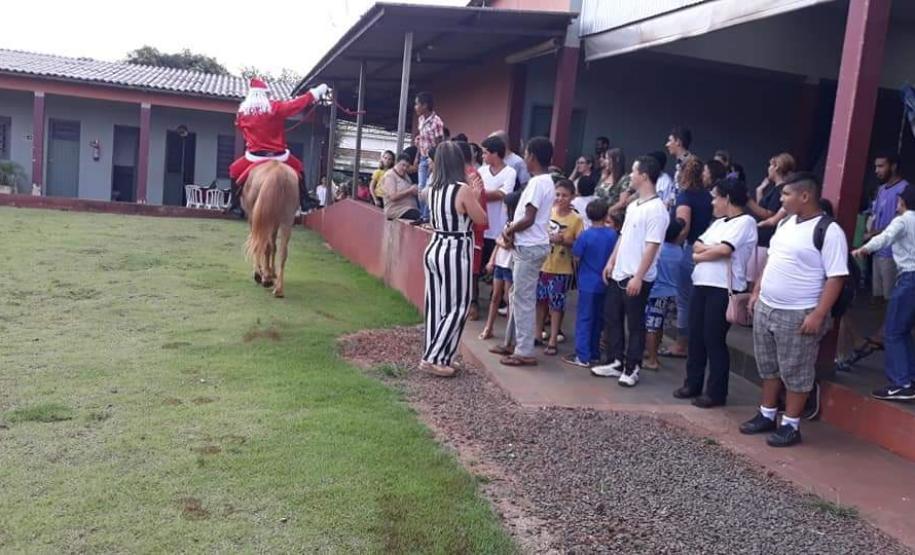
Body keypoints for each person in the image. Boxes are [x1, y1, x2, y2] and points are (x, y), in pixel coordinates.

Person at [740, 172, 848, 447]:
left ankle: (791, 424)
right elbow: (772, 260)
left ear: (805, 196)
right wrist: (756, 292)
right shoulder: (786, 223)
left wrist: (818, 314)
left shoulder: (828, 230)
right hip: (768, 307)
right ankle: (767, 414)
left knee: (796, 371)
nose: (782, 200)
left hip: (799, 313)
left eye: (786, 195)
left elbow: (836, 277)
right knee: (769, 365)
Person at [674, 178, 758, 408]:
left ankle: (716, 391)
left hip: (723, 288)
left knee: (713, 338)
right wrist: (708, 252)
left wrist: (707, 252)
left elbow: (725, 249)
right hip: (702, 283)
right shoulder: (719, 223)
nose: (712, 202)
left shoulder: (745, 222)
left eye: (715, 197)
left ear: (727, 198)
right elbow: (698, 247)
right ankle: (693, 383)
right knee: (696, 335)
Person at [592, 155, 670, 386]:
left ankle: (632, 367)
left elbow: (652, 246)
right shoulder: (634, 205)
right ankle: (615, 361)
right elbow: (624, 236)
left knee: (634, 323)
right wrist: (611, 261)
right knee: (612, 317)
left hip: (638, 277)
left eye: (634, 172)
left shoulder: (657, 209)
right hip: (620, 273)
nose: (631, 177)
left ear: (644, 175)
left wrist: (638, 276)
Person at [421, 141, 488, 377]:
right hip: (455, 249)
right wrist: (477, 195)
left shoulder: (433, 189)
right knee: (458, 306)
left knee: (436, 306)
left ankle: (442, 355)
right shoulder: (462, 189)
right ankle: (434, 358)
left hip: (435, 246)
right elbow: (480, 219)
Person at [490, 137, 556, 366]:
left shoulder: (539, 183)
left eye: (526, 154)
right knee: (517, 296)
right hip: (530, 245)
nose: (524, 158)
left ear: (533, 157)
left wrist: (509, 227)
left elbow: (528, 219)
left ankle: (524, 350)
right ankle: (512, 342)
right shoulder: (544, 181)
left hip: (529, 246)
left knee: (523, 299)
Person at [227, 78, 329, 214]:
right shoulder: (274, 107)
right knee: (299, 167)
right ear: (265, 94)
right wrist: (315, 93)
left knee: (234, 170)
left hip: (254, 157)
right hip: (280, 156)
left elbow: (242, 131)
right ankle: (304, 200)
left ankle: (234, 204)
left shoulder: (242, 113)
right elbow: (296, 104)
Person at [852, 184, 915, 400]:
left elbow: (885, 238)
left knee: (894, 331)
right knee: (904, 331)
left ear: (903, 202)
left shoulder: (903, 220)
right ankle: (909, 378)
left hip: (909, 278)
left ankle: (901, 382)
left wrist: (864, 248)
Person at [663, 155, 711, 359]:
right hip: (705, 248)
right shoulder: (708, 196)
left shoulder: (685, 197)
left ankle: (682, 344)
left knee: (684, 301)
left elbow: (683, 224)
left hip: (689, 248)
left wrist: (674, 244)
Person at [564, 198, 618, 368]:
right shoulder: (613, 234)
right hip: (606, 281)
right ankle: (594, 352)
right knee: (598, 319)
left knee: (584, 319)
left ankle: (582, 355)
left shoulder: (586, 235)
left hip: (587, 281)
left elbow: (577, 255)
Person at [535, 179, 584, 356]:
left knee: (556, 305)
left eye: (564, 195)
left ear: (572, 197)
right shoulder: (548, 212)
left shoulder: (576, 219)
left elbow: (579, 244)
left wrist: (564, 240)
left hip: (562, 268)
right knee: (540, 301)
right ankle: (538, 333)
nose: (560, 198)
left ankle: (553, 337)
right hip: (544, 264)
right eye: (557, 194)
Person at [746, 153, 796, 283]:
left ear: (776, 168)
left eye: (770, 165)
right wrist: (759, 192)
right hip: (762, 239)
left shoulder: (780, 189)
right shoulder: (775, 189)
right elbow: (763, 210)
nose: (768, 168)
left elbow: (769, 214)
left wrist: (748, 201)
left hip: (766, 241)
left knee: (754, 281)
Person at [643, 219, 684, 371]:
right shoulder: (678, 251)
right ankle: (653, 354)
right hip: (671, 294)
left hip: (656, 293)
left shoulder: (658, 250)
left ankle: (652, 359)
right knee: (658, 326)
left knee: (651, 327)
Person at [481, 192, 520, 340]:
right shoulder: (507, 223)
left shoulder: (517, 224)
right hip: (500, 262)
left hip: (510, 264)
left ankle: (508, 335)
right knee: (495, 296)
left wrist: (500, 242)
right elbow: (500, 244)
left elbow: (506, 243)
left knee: (507, 297)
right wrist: (492, 260)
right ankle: (488, 327)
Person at [479, 135, 518, 278]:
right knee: (478, 267)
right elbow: (475, 192)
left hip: (499, 228)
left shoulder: (510, 172)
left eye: (485, 152)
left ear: (495, 153)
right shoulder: (482, 171)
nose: (482, 156)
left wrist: (482, 193)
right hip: (482, 226)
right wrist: (493, 192)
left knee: (498, 270)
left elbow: (503, 194)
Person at [414, 91, 446, 220]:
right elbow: (421, 139)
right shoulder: (421, 119)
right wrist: (416, 156)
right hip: (422, 156)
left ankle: (426, 216)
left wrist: (435, 162)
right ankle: (423, 214)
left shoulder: (437, 122)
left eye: (417, 104)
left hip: (432, 159)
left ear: (425, 105)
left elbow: (439, 144)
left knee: (429, 187)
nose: (415, 107)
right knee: (421, 187)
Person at [381, 153, 420, 221]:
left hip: (409, 208)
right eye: (403, 165)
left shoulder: (406, 176)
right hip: (397, 210)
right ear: (397, 163)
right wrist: (410, 191)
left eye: (407, 166)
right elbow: (393, 196)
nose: (405, 168)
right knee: (417, 216)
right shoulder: (390, 176)